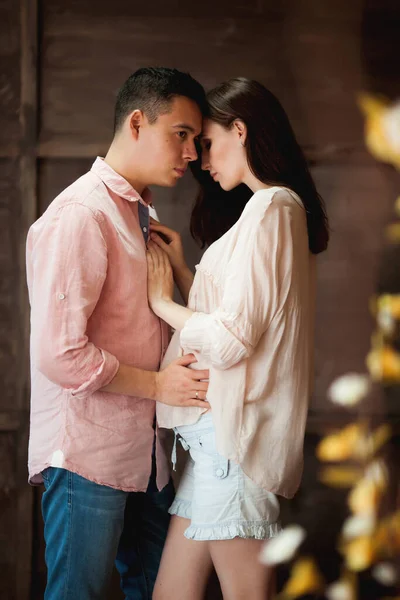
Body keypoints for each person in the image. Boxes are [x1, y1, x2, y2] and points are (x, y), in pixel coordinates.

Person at [26, 67, 211, 600]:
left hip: (147, 454)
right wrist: (159, 387)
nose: (193, 153)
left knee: (157, 589)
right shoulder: (82, 214)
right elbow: (60, 355)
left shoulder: (136, 213)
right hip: (88, 453)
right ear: (136, 122)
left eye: (197, 141)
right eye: (181, 134)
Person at [146, 77, 329, 600]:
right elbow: (241, 316)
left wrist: (164, 304)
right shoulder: (266, 211)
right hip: (212, 445)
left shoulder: (274, 209)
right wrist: (184, 273)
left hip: (232, 443)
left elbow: (230, 341)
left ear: (240, 130)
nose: (201, 160)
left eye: (207, 143)